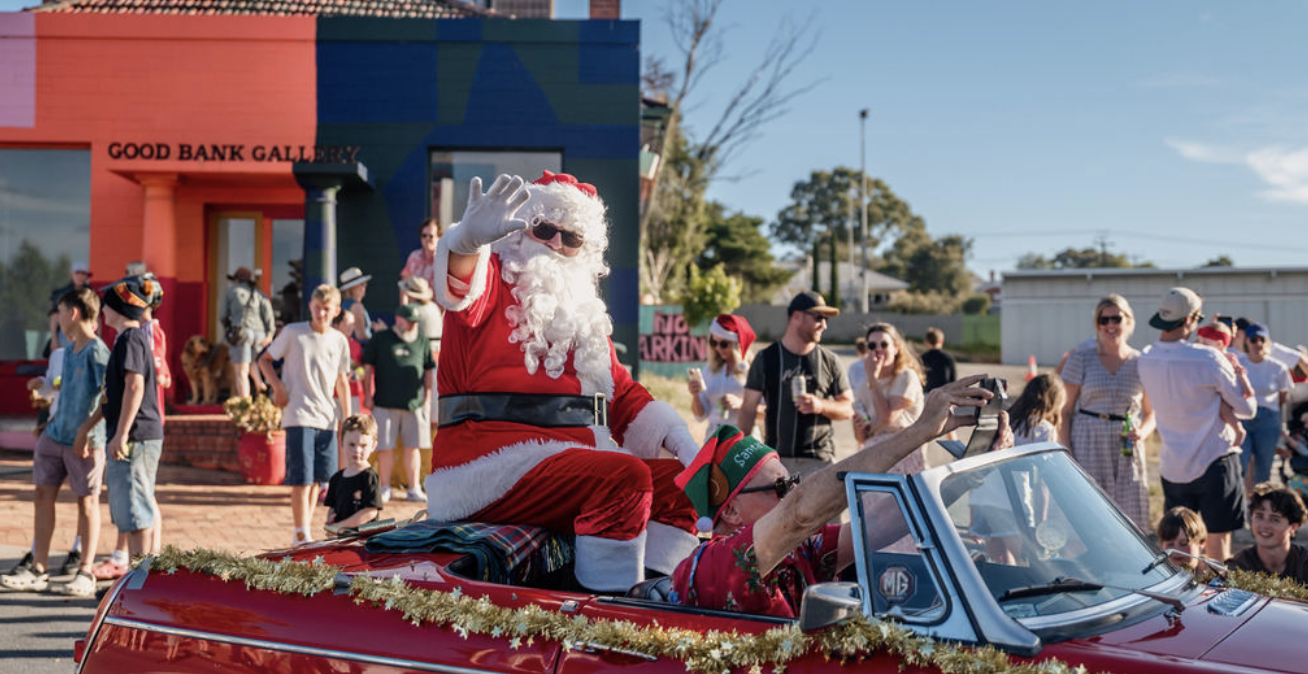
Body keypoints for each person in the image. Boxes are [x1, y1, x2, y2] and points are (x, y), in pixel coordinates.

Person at [425, 172, 703, 592]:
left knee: (680, 488)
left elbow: (621, 393)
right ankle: (608, 606)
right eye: (544, 230)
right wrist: (466, 241)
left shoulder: (585, 313)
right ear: (520, 231)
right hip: (486, 465)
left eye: (571, 239)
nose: (557, 244)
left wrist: (680, 440)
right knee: (623, 479)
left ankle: (657, 588)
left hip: (570, 465)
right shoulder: (495, 279)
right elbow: (459, 288)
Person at [670, 376, 1008, 617]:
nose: (791, 495)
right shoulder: (711, 562)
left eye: (792, 484)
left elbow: (884, 522)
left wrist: (972, 468)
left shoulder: (799, 549)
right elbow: (800, 512)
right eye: (780, 489)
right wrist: (919, 431)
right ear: (729, 511)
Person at [0, 288, 109, 596]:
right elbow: (69, 395)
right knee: (41, 497)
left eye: (60, 312)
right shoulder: (69, 351)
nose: (58, 318)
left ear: (73, 313)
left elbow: (108, 396)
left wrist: (85, 430)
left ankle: (85, 572)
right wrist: (50, 420)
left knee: (86, 503)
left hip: (84, 442)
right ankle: (39, 569)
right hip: (54, 436)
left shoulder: (98, 352)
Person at [1137, 287, 1256, 562]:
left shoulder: (1146, 358)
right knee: (1219, 543)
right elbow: (1246, 409)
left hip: (1173, 467)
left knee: (1178, 545)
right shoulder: (1208, 358)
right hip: (1215, 461)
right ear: (1190, 320)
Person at [259, 284, 352, 546]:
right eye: (316, 308)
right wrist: (277, 387)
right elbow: (264, 360)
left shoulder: (339, 340)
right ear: (310, 306)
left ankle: (304, 530)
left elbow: (342, 381)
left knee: (317, 480)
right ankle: (301, 532)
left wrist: (348, 417)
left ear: (335, 311)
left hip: (327, 417)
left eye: (326, 309)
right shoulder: (292, 333)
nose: (321, 313)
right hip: (298, 414)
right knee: (301, 478)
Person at [1058, 294, 1157, 529]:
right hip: (1088, 441)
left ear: (1129, 321)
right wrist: (1066, 451)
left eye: (1116, 318)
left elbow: (1151, 413)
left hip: (1127, 445)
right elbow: (1065, 411)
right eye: (1104, 320)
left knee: (1130, 517)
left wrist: (1142, 432)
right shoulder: (1081, 359)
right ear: (1097, 324)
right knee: (1088, 513)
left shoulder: (1142, 362)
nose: (1110, 325)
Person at [738, 291, 854, 475]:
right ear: (797, 316)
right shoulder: (766, 358)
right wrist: (741, 455)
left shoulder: (830, 360)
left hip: (818, 462)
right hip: (777, 461)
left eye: (826, 319)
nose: (824, 325)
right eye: (818, 317)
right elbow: (748, 409)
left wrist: (820, 405)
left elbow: (848, 409)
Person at [95, 275, 164, 558]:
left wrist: (122, 434)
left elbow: (134, 386)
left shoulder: (132, 338)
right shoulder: (126, 339)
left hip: (135, 436)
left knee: (137, 513)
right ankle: (136, 577)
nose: (102, 311)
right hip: (131, 435)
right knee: (130, 511)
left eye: (107, 305)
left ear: (120, 309)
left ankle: (140, 578)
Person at [362, 303, 434, 504]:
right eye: (408, 321)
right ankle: (385, 487)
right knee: (385, 447)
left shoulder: (422, 341)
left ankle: (414, 488)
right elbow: (368, 368)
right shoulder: (381, 339)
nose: (412, 325)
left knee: (414, 447)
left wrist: (427, 399)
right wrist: (368, 394)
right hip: (384, 402)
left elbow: (428, 371)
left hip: (415, 404)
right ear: (398, 319)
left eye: (415, 322)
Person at [853, 322, 926, 474]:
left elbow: (888, 418)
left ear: (895, 348)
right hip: (874, 452)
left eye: (884, 344)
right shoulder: (863, 387)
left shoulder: (906, 377)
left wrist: (873, 379)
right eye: (872, 345)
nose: (878, 349)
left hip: (903, 452)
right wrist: (860, 426)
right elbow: (861, 438)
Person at [687, 314, 757, 442]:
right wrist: (695, 395)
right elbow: (700, 415)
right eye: (714, 342)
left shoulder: (752, 369)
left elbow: (768, 410)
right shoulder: (710, 369)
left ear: (737, 344)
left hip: (743, 437)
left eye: (724, 344)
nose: (718, 348)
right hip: (714, 437)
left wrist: (741, 404)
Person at [1239, 323, 1294, 487]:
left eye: (1261, 339)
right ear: (1246, 342)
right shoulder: (1240, 365)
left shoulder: (1277, 367)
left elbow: (1283, 395)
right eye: (1253, 340)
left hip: (1267, 419)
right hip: (1242, 418)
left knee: (1264, 466)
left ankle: (1260, 505)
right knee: (1242, 462)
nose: (1258, 344)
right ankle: (1245, 503)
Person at [1225, 483, 1308, 583]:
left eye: (1274, 519)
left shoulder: (1303, 564)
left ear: (1293, 527)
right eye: (1259, 516)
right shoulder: (1239, 566)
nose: (1265, 525)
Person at [221, 267, 274, 399]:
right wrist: (270, 334)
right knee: (251, 362)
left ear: (236, 280)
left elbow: (222, 315)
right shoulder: (259, 293)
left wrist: (228, 328)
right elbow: (268, 315)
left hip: (241, 333)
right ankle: (260, 385)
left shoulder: (231, 292)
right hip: (259, 334)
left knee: (241, 371)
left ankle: (244, 404)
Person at [399, 275, 442, 435]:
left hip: (423, 364)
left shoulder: (414, 311)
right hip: (436, 361)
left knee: (423, 411)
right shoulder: (433, 308)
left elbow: (403, 334)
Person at [325, 414, 384, 529]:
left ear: (373, 446)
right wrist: (330, 521)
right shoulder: (336, 479)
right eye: (351, 444)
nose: (356, 450)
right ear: (341, 442)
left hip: (362, 542)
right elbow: (332, 508)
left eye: (363, 445)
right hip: (340, 540)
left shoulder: (370, 477)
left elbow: (370, 512)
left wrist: (340, 526)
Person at [1195, 321, 1246, 448]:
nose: (1202, 346)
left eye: (1205, 343)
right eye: (1200, 342)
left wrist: (1246, 388)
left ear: (1219, 344)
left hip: (1224, 393)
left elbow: (1239, 374)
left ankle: (1238, 429)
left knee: (1222, 405)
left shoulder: (1227, 358)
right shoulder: (1205, 357)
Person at [46, 261, 93, 356]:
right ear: (71, 274)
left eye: (83, 273)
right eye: (77, 273)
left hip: (86, 334)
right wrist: (54, 340)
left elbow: (97, 318)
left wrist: (97, 337)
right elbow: (54, 317)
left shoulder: (92, 294)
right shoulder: (61, 294)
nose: (80, 276)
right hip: (65, 334)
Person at [339, 267, 385, 344]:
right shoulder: (356, 306)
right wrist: (381, 333)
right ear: (351, 288)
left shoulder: (345, 304)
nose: (365, 285)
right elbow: (360, 336)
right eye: (361, 284)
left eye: (364, 283)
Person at [1156, 506, 1206, 571]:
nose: (1177, 550)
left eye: (1183, 544)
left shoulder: (1215, 575)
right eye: (1170, 544)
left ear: (1201, 544)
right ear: (1161, 544)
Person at [401, 218, 442, 292]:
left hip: (436, 303)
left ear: (439, 238)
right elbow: (404, 284)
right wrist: (404, 303)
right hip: (414, 303)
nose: (427, 238)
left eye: (431, 236)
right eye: (424, 235)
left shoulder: (443, 260)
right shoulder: (413, 257)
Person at [920, 327, 957, 393]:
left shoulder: (922, 358)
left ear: (927, 341)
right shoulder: (948, 357)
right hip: (944, 394)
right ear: (941, 341)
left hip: (928, 394)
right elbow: (953, 380)